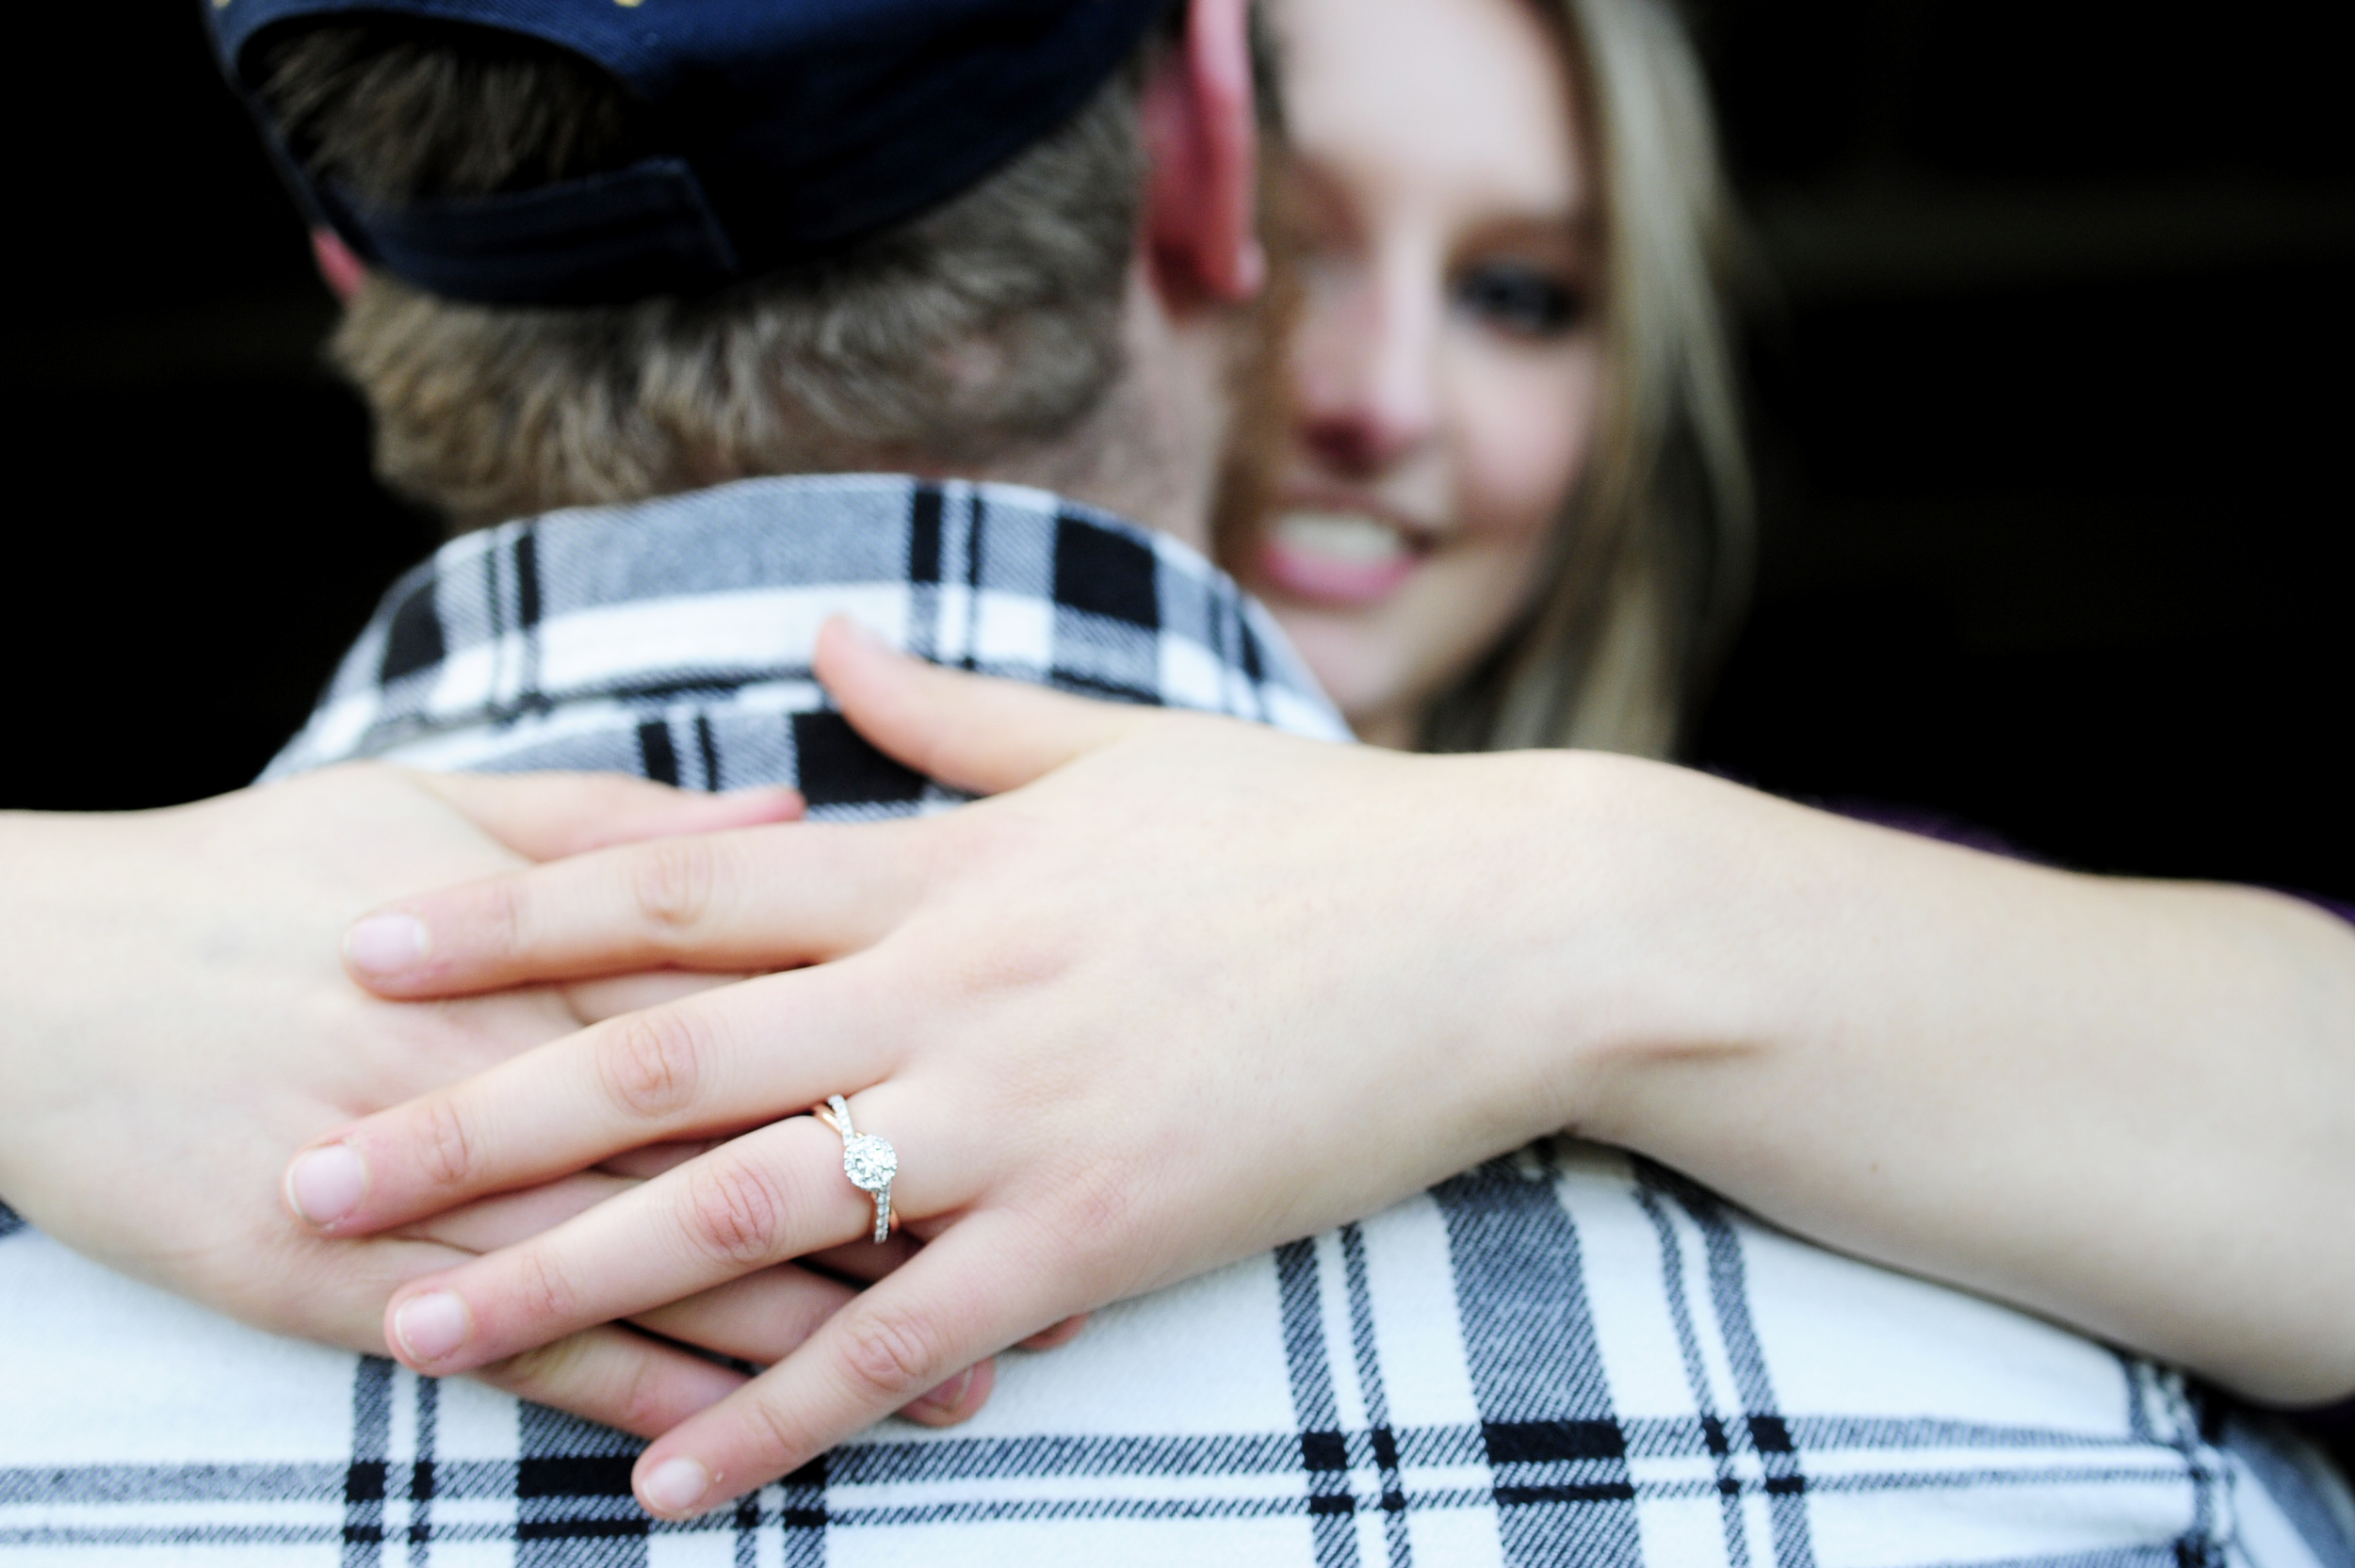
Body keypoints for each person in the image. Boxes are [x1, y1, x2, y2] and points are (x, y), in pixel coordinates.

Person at [2, 0, 2349, 1561]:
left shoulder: (1938, 1059)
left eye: (1519, 289)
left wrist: (1575, 903)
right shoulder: (2069, 1409)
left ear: (343, 259)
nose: (1369, 402)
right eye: (1328, 246)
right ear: (1209, 169)